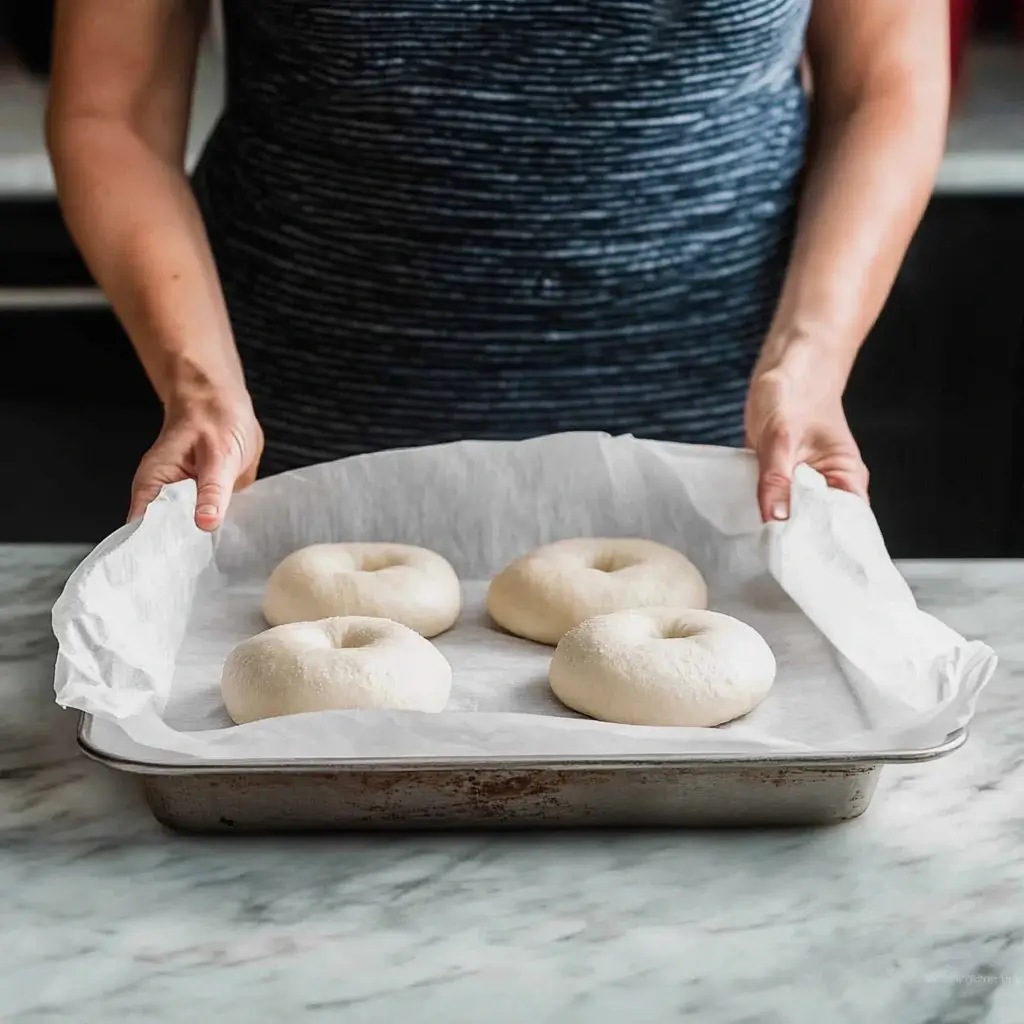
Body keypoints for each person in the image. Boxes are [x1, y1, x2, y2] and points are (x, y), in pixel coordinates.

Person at [46, 0, 948, 531]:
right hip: (284, 456)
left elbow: (886, 81)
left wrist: (813, 358)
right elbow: (110, 111)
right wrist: (199, 388)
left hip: (725, 453)